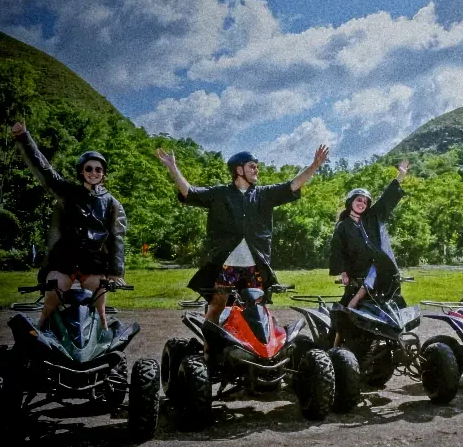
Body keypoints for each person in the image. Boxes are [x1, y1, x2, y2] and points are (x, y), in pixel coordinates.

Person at [157, 145, 329, 360]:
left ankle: (257, 352)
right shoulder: (219, 194)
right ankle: (209, 351)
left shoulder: (264, 195)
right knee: (218, 305)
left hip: (254, 266)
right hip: (226, 265)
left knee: (256, 310)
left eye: (256, 167)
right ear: (239, 170)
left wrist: (314, 166)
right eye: (252, 166)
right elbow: (189, 192)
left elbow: (292, 185)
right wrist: (173, 168)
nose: (257, 170)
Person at [11, 121, 127, 332]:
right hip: (64, 261)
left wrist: (115, 272)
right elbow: (44, 170)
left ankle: (102, 341)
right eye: (89, 168)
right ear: (81, 171)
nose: (94, 172)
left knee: (100, 308)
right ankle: (41, 335)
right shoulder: (67, 192)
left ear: (104, 173)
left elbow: (118, 237)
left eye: (98, 169)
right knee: (50, 302)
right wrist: (24, 138)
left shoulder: (112, 202)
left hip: (94, 265)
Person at [329, 160, 409, 346]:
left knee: (389, 306)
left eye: (365, 202)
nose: (362, 204)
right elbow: (337, 250)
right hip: (356, 272)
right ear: (350, 202)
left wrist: (401, 176)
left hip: (378, 272)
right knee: (344, 313)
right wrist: (343, 272)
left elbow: (386, 200)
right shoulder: (342, 226)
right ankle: (334, 347)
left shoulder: (371, 219)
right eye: (359, 200)